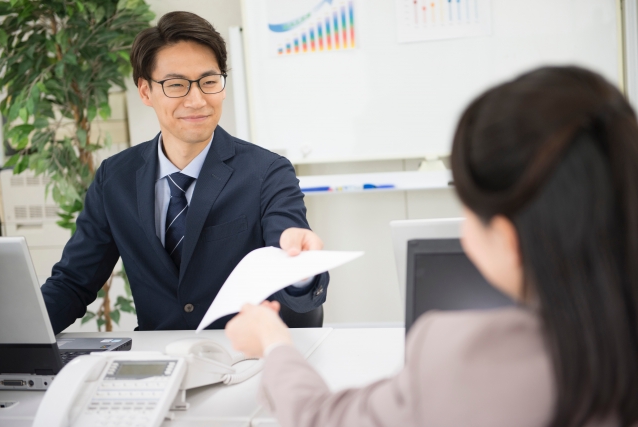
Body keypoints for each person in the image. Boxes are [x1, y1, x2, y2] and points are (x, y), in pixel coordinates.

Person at [225, 66, 638, 427]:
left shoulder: (469, 359)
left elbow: (322, 418)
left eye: (469, 206)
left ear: (509, 241)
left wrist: (274, 344)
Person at [41, 11, 329, 334]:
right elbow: (72, 283)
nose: (197, 100)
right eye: (176, 85)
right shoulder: (114, 179)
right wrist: (16, 334)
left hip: (244, 359)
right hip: (159, 363)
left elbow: (294, 274)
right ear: (146, 91)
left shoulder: (267, 173)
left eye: (209, 82)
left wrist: (300, 267)